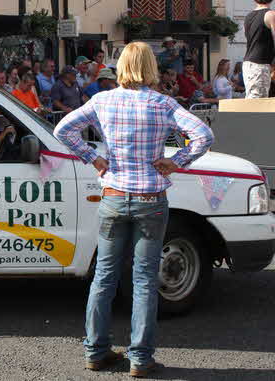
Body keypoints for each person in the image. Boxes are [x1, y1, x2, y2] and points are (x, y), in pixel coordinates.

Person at [53, 42, 213, 377]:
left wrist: (93, 157)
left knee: (104, 275)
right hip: (151, 197)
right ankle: (140, 358)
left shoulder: (102, 100)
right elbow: (203, 134)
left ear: (122, 66)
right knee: (143, 278)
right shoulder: (163, 103)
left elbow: (62, 130)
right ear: (151, 67)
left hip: (114, 192)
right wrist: (175, 161)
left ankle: (95, 351)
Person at [243, 0, 275, 98]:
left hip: (248, 63)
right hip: (260, 64)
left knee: (253, 100)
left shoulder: (248, 17)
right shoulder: (271, 15)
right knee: (258, 103)